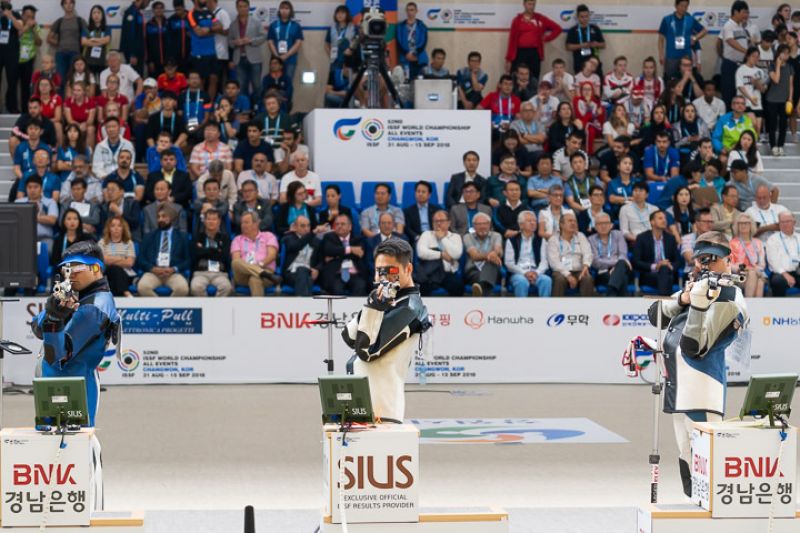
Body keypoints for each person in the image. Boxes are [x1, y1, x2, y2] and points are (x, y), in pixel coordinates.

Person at [648, 231, 748, 497]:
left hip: (702, 389)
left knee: (706, 460)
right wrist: (683, 298)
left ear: (729, 260)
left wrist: (699, 306)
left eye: (713, 259)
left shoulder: (730, 298)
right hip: (678, 387)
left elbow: (695, 347)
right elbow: (655, 315)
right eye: (702, 259)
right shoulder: (698, 287)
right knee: (686, 454)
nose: (707, 265)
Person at [31, 240, 119, 510]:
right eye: (65, 268)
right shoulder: (76, 296)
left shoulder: (96, 307)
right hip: (53, 384)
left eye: (76, 267)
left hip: (76, 388)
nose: (69, 273)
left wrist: (54, 319)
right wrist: (53, 311)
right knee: (49, 456)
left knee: (78, 451)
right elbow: (37, 327)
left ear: (96, 269)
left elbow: (59, 354)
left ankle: (86, 514)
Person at [342, 238, 430, 422]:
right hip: (363, 406)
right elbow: (349, 336)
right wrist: (374, 303)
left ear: (408, 269)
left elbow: (366, 351)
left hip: (382, 411)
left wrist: (374, 307)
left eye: (391, 271)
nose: (384, 277)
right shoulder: (387, 302)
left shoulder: (410, 308)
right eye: (379, 271)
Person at [136, 203, 191, 297]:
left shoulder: (182, 237)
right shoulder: (149, 236)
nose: (160, 219)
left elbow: (188, 260)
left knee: (183, 289)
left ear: (171, 218)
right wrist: (152, 268)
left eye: (164, 216)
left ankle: (169, 306)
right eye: (158, 217)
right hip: (153, 272)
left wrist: (174, 269)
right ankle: (159, 306)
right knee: (142, 287)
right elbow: (141, 259)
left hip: (173, 273)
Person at [505, 0, 561, 79]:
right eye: (529, 4)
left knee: (534, 77)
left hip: (534, 53)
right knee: (517, 78)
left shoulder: (540, 18)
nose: (531, 7)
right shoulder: (517, 20)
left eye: (533, 4)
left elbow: (558, 28)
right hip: (520, 53)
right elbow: (512, 40)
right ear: (524, 4)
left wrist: (546, 38)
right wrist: (509, 59)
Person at [415, 210, 464, 296]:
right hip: (430, 274)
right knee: (422, 286)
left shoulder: (455, 237)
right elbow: (421, 252)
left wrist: (442, 238)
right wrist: (441, 255)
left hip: (448, 273)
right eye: (436, 221)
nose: (438, 223)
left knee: (458, 286)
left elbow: (457, 254)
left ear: (449, 223)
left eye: (442, 221)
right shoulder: (426, 234)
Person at [318, 214, 368, 296]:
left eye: (342, 224)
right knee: (336, 288)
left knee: (360, 286)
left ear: (350, 227)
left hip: (355, 273)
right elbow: (329, 250)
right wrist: (350, 249)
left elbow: (359, 254)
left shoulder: (358, 239)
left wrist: (336, 256)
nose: (339, 226)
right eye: (337, 224)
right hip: (336, 274)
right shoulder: (329, 237)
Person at [720, 1, 758, 108]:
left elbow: (746, 42)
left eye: (747, 12)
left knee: (739, 94)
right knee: (728, 94)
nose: (746, 15)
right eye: (744, 12)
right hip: (730, 65)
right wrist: (746, 51)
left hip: (740, 65)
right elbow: (730, 41)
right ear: (736, 12)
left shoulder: (741, 27)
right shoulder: (728, 25)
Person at [505, 210, 551, 297]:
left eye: (534, 221)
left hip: (536, 272)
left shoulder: (541, 240)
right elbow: (509, 263)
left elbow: (544, 262)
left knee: (546, 280)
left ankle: (545, 305)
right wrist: (524, 273)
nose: (533, 223)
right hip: (518, 273)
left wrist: (536, 273)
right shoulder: (512, 241)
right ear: (521, 225)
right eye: (529, 221)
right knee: (522, 282)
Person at [547, 211, 594, 296]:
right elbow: (554, 262)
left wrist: (585, 266)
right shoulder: (553, 239)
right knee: (560, 279)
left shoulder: (580, 236)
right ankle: (556, 304)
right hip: (561, 271)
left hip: (579, 270)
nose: (573, 223)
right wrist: (568, 275)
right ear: (561, 224)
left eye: (574, 221)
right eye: (570, 221)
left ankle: (587, 305)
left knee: (587, 278)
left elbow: (588, 252)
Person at [633, 210, 678, 295]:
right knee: (664, 271)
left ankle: (661, 300)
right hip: (649, 275)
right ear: (652, 222)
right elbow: (636, 262)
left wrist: (670, 266)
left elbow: (677, 261)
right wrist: (656, 266)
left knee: (664, 269)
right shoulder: (642, 238)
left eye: (665, 218)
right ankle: (664, 300)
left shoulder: (671, 238)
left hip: (668, 273)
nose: (664, 220)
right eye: (660, 218)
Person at [658, 0, 706, 79]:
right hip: (671, 57)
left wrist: (695, 38)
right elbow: (660, 39)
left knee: (686, 80)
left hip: (686, 57)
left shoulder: (690, 19)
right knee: (671, 81)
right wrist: (661, 54)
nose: (684, 8)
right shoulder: (667, 19)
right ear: (676, 5)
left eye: (686, 6)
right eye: (681, 6)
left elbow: (704, 31)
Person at [190, 208, 232, 297]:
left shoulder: (225, 238)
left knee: (227, 287)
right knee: (195, 287)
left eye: (214, 219)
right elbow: (196, 254)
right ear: (204, 221)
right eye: (208, 219)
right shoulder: (197, 237)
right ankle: (205, 305)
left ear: (219, 222)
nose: (211, 222)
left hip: (220, 273)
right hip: (201, 272)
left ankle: (215, 306)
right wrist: (216, 251)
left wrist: (204, 250)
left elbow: (224, 256)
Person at [589, 212, 631, 296]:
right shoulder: (591, 239)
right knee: (622, 277)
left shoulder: (618, 234)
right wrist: (616, 264)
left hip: (622, 268)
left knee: (621, 264)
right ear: (595, 227)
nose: (603, 226)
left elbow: (623, 254)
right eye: (600, 223)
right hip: (603, 272)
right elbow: (595, 261)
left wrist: (616, 267)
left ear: (611, 225)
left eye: (606, 223)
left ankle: (610, 296)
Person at [462, 212, 503, 296]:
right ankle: (484, 291)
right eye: (479, 224)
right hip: (473, 270)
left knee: (490, 264)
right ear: (473, 226)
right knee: (487, 278)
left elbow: (497, 250)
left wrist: (494, 253)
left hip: (493, 270)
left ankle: (480, 290)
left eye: (485, 223)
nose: (482, 227)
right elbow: (474, 256)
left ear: (489, 225)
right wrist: (490, 255)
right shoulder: (467, 237)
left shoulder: (496, 235)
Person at [15, 174, 58, 254]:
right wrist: (39, 217)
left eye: (35, 187)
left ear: (41, 188)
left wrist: (30, 216)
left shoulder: (50, 202)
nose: (32, 190)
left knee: (47, 251)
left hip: (44, 239)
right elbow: (15, 221)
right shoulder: (19, 203)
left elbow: (52, 220)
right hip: (23, 238)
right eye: (29, 187)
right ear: (26, 188)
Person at [764, 43, 794, 156]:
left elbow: (791, 85)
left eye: (787, 53)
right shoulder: (772, 66)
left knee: (783, 125)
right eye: (783, 53)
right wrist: (777, 65)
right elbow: (776, 80)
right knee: (772, 125)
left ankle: (781, 146)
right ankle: (773, 146)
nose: (785, 55)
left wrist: (790, 99)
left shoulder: (790, 67)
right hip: (772, 100)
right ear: (778, 53)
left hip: (784, 101)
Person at [48, 0, 87, 84]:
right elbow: (49, 38)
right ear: (62, 6)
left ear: (74, 5)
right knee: (60, 80)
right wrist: (60, 44)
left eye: (71, 3)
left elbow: (87, 37)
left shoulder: (80, 21)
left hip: (75, 54)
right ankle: (61, 93)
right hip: (61, 54)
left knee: (74, 79)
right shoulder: (59, 21)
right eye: (66, 3)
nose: (68, 5)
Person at [281, 215, 319, 297]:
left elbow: (321, 259)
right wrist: (311, 234)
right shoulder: (288, 238)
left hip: (309, 273)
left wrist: (317, 270)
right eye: (303, 226)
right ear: (295, 227)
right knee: (303, 271)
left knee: (306, 276)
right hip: (292, 273)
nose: (306, 229)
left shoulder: (316, 241)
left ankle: (302, 301)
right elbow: (296, 246)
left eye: (308, 226)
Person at [98, 216, 136, 297]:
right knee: (113, 269)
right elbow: (104, 260)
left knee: (113, 279)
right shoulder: (102, 242)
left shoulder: (129, 243)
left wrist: (111, 259)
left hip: (126, 275)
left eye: (119, 226)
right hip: (107, 273)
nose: (116, 228)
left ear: (123, 228)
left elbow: (129, 262)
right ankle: (126, 293)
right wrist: (121, 258)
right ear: (109, 228)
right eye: (113, 226)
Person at [730, 213, 766, 298]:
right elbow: (729, 264)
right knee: (753, 274)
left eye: (746, 223)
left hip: (756, 273)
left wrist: (756, 270)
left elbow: (762, 264)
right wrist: (749, 269)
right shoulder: (732, 243)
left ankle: (753, 305)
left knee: (760, 280)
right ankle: (749, 304)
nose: (743, 225)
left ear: (751, 225)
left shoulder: (758, 242)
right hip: (739, 275)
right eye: (740, 223)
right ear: (737, 226)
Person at [267, 0, 303, 83]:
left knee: (288, 83)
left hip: (290, 60)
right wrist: (277, 57)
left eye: (287, 8)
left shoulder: (296, 26)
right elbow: (270, 42)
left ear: (290, 11)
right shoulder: (273, 25)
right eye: (282, 8)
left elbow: (298, 43)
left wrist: (286, 55)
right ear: (279, 10)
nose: (284, 10)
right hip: (276, 60)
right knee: (274, 83)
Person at [766, 211, 800, 296]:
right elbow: (773, 261)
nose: (785, 224)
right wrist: (785, 274)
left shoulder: (799, 238)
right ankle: (778, 305)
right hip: (780, 273)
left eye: (788, 221)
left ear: (794, 222)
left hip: (797, 271)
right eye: (782, 222)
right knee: (778, 281)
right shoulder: (773, 239)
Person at [565, 4, 605, 74]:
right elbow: (568, 47)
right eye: (582, 17)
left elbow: (603, 45)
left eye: (586, 16)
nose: (585, 19)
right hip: (579, 63)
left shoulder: (595, 28)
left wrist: (596, 44)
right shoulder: (572, 30)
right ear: (577, 17)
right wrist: (582, 45)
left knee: (597, 80)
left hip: (594, 63)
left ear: (589, 16)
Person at [18, 5, 43, 108]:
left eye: (32, 17)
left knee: (26, 85)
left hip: (28, 59)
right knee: (12, 84)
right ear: (22, 15)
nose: (30, 19)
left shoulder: (35, 26)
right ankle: (11, 108)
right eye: (27, 16)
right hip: (15, 59)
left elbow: (39, 42)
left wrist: (33, 30)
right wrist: (26, 27)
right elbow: (18, 35)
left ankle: (25, 108)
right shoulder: (17, 24)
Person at [396, 2, 428, 81]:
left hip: (419, 58)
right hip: (405, 58)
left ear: (416, 11)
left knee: (420, 81)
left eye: (412, 10)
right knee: (407, 81)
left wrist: (415, 53)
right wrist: (406, 54)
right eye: (408, 10)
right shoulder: (400, 26)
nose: (410, 12)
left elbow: (424, 41)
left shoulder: (421, 25)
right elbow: (398, 42)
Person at [0, 3, 22, 113]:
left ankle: (11, 107)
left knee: (12, 80)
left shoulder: (15, 14)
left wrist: (10, 16)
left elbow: (20, 27)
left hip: (12, 52)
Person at [82, 4, 111, 76]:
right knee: (90, 80)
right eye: (94, 13)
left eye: (98, 12)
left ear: (102, 15)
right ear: (91, 15)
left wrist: (92, 40)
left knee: (102, 80)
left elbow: (106, 40)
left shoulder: (107, 28)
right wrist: (101, 41)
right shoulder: (86, 28)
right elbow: (84, 42)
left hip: (103, 60)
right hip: (88, 59)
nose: (96, 15)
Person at [167, 0, 192, 72]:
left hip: (190, 53)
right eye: (176, 10)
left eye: (179, 9)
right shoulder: (171, 19)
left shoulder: (191, 17)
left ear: (183, 7)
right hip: (176, 55)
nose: (178, 12)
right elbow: (169, 38)